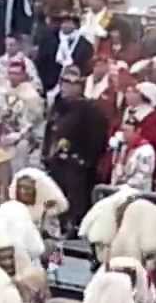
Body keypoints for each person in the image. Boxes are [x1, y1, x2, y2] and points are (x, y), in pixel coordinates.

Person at [43, 66, 108, 237]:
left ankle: (73, 229)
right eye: (63, 82)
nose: (66, 87)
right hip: (56, 163)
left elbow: (97, 138)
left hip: (76, 165)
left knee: (74, 203)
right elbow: (50, 131)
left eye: (71, 83)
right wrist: (46, 154)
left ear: (80, 86)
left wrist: (85, 161)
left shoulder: (90, 110)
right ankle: (57, 230)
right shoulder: (58, 106)